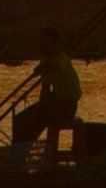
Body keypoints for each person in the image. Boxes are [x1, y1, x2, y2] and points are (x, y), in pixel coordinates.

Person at [18, 31, 84, 161]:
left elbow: (55, 67)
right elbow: (45, 89)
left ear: (55, 44)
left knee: (34, 119)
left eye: (48, 43)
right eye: (43, 43)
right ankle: (22, 150)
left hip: (68, 106)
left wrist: (43, 68)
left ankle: (28, 153)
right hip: (56, 103)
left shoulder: (61, 58)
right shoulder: (47, 60)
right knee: (24, 117)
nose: (45, 46)